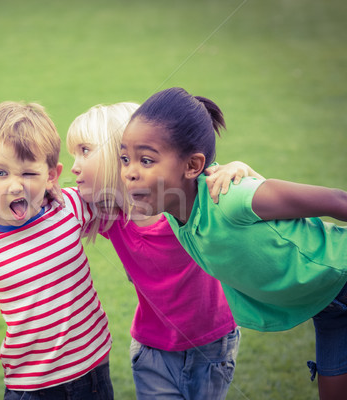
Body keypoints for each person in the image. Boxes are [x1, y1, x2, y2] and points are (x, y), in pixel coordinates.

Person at [119, 87, 347, 400]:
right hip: (327, 307)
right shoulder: (175, 212)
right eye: (124, 159)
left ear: (192, 166)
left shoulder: (229, 197)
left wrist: (246, 174)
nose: (129, 172)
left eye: (145, 160)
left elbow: (337, 200)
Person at [67, 102, 251, 399]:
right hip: (153, 350)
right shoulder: (107, 211)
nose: (74, 165)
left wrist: (237, 168)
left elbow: (235, 185)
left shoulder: (187, 199)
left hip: (214, 342)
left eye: (85, 151)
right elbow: (40, 201)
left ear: (122, 154)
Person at [0, 101, 114, 399]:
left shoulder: (70, 207)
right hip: (29, 384)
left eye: (29, 174)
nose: (15, 186)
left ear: (52, 176)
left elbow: (125, 187)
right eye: (1, 173)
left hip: (91, 369)